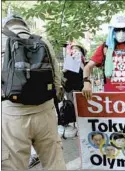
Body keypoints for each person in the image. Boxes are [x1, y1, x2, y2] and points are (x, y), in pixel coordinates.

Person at [1, 15, 66, 170]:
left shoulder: (2, 41)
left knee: (14, 164)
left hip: (12, 114)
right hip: (45, 111)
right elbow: (57, 79)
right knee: (53, 161)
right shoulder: (42, 41)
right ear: (25, 26)